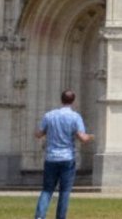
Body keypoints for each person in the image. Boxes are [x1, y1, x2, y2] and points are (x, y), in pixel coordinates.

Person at [34, 89, 93, 219]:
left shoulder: (49, 115)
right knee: (64, 192)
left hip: (51, 157)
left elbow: (39, 134)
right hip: (67, 158)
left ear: (61, 100)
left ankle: (39, 216)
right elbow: (82, 138)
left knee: (47, 189)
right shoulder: (75, 117)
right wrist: (89, 137)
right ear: (73, 101)